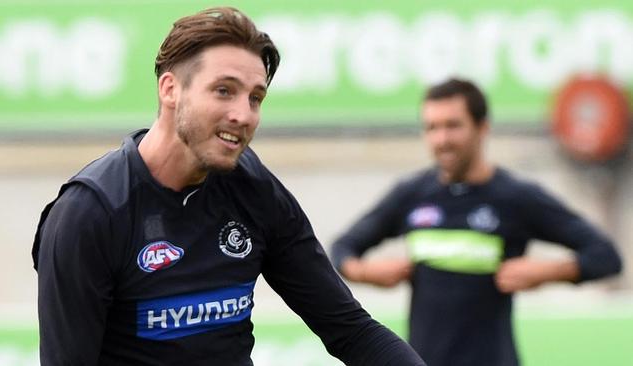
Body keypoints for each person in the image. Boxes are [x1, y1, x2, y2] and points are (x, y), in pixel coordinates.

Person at [31, 7, 426, 366]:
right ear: (170, 89)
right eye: (224, 90)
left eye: (256, 98)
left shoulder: (254, 190)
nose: (244, 114)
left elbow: (351, 331)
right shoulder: (91, 213)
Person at [330, 78, 623, 366]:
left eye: (453, 126)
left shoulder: (515, 197)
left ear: (482, 128)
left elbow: (606, 257)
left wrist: (548, 272)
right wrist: (364, 271)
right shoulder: (412, 194)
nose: (441, 139)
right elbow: (342, 248)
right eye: (432, 128)